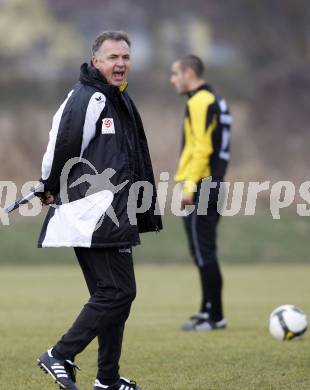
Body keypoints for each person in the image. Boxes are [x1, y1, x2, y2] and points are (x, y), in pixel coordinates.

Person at [36, 31, 162, 390]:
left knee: (115, 297)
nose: (120, 64)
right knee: (117, 293)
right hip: (94, 216)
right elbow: (61, 144)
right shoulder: (87, 98)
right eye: (112, 58)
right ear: (96, 62)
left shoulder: (117, 99)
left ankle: (107, 379)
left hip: (115, 213)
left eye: (125, 57)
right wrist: (48, 184)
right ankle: (59, 354)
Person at [170, 55, 231, 331]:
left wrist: (190, 187)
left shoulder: (199, 101)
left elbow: (201, 148)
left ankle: (215, 316)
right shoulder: (216, 100)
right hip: (213, 182)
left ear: (189, 73)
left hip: (202, 185)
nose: (173, 80)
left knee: (204, 252)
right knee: (202, 251)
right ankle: (207, 310)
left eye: (175, 74)